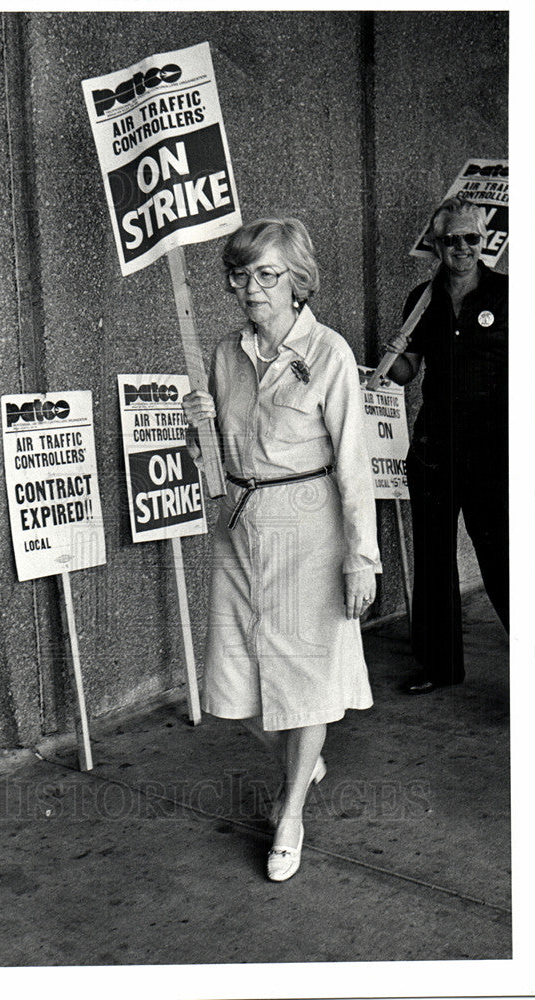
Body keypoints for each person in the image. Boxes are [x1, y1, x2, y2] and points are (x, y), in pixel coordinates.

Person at [183, 217, 381, 882]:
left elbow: (355, 466)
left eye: (266, 275)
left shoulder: (327, 355)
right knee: (231, 686)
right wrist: (199, 433)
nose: (250, 289)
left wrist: (362, 557)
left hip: (310, 532)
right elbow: (215, 461)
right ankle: (306, 758)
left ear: (297, 281)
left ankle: (290, 811)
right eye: (240, 277)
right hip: (239, 530)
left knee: (307, 685)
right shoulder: (220, 355)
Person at [386, 196, 508, 695]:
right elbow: (408, 371)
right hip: (435, 446)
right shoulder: (422, 298)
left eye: (471, 239)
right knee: (434, 556)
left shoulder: (508, 295)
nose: (461, 248)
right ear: (436, 245)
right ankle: (439, 665)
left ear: (485, 242)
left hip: (494, 447)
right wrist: (392, 357)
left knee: (501, 554)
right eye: (450, 239)